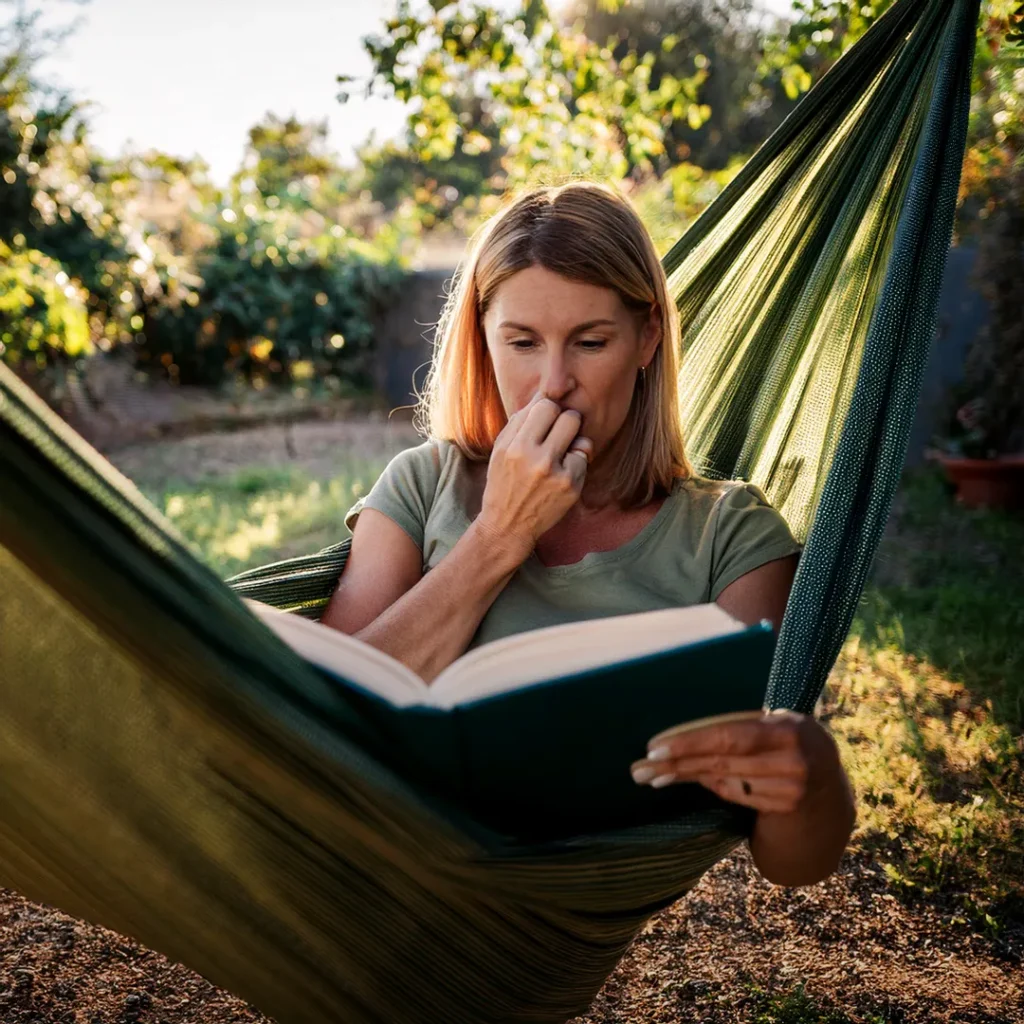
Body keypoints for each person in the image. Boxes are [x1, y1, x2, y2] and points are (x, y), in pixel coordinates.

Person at [322, 181, 856, 887]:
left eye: (590, 342)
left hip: (565, 907)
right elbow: (322, 725)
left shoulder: (728, 536)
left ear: (647, 338)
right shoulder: (424, 485)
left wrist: (814, 776)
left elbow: (790, 860)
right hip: (385, 874)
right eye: (521, 342)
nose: (552, 384)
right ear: (484, 341)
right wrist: (498, 538)